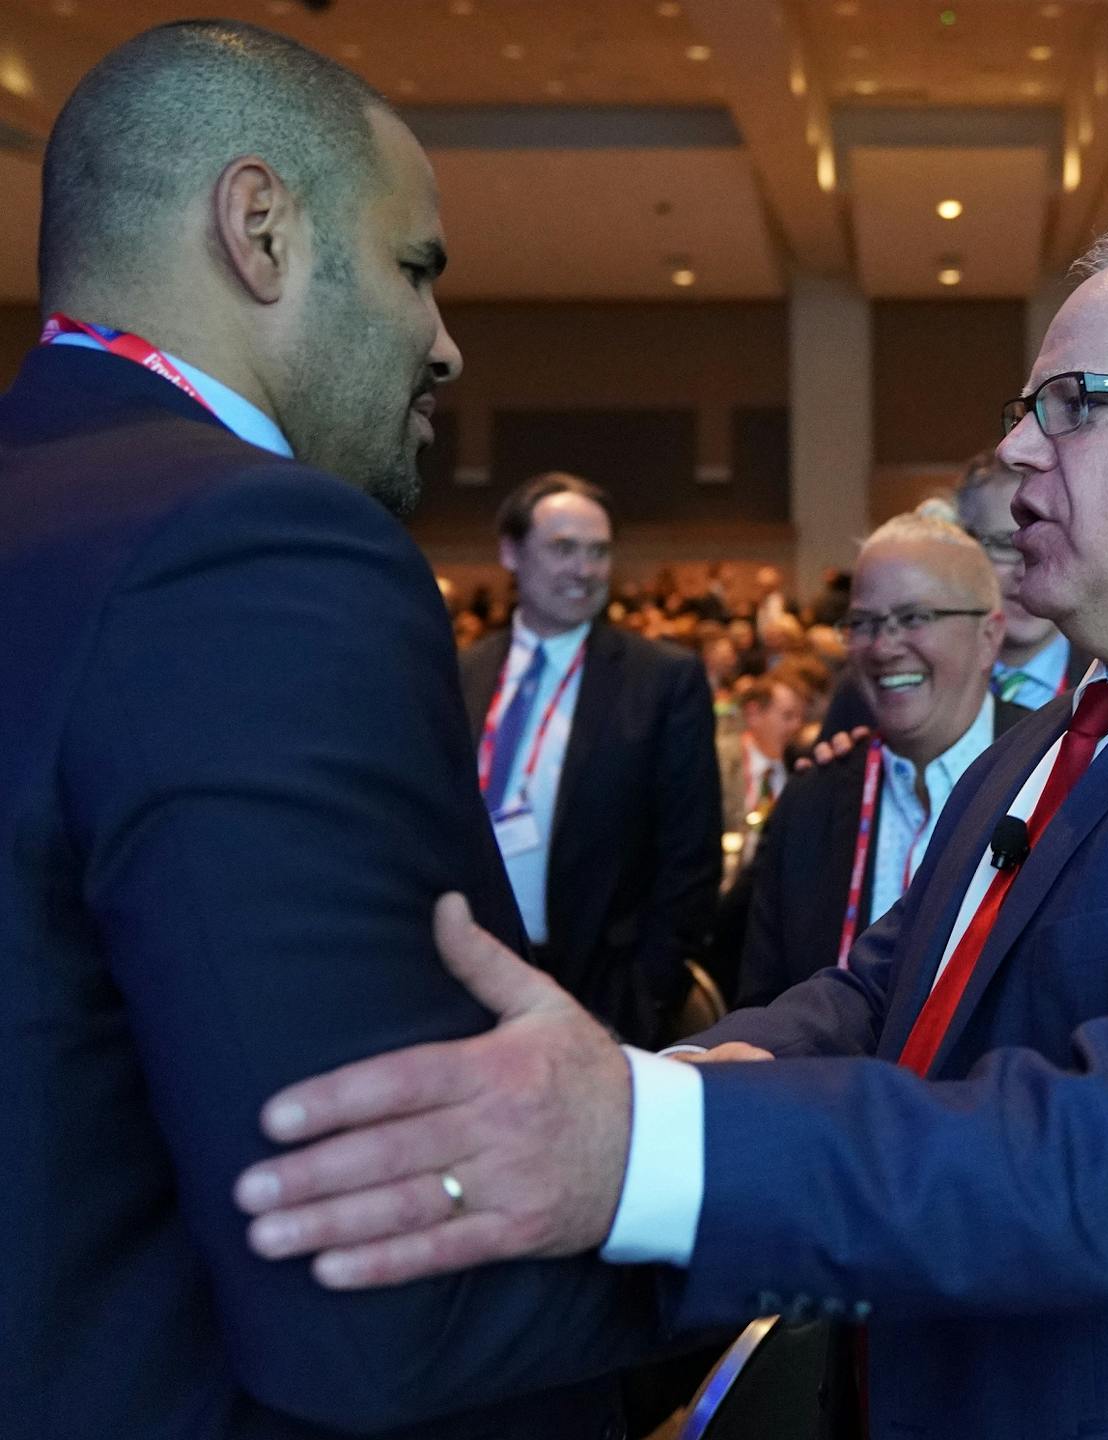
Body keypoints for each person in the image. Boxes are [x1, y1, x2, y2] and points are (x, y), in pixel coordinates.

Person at [235, 226, 1108, 1440]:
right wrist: (657, 1086)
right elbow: (882, 997)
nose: (1014, 447)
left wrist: (651, 1148)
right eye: (1023, 405)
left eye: (1073, 402)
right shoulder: (1045, 739)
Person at [0, 22, 664, 1437]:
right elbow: (379, 1284)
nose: (442, 341)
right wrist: (751, 1210)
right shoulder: (250, 544)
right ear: (261, 228)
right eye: (415, 267)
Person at [460, 472, 721, 1051]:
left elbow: (690, 858)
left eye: (598, 552)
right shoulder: (465, 675)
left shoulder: (660, 681)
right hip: (471, 986)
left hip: (603, 995)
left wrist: (646, 993)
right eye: (563, 549)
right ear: (510, 552)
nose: (585, 569)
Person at [732, 514, 1030, 1009]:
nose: (885, 647)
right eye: (864, 624)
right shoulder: (813, 801)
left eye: (915, 618)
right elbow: (764, 1001)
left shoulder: (1056, 772)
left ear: (987, 636)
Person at [955, 448, 1090, 707]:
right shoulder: (909, 687)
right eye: (1005, 545)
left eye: (1044, 543)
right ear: (964, 547)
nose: (1024, 570)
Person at [718, 670, 805, 836]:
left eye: (801, 717)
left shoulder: (800, 764)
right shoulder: (722, 760)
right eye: (787, 716)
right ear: (754, 715)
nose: (796, 726)